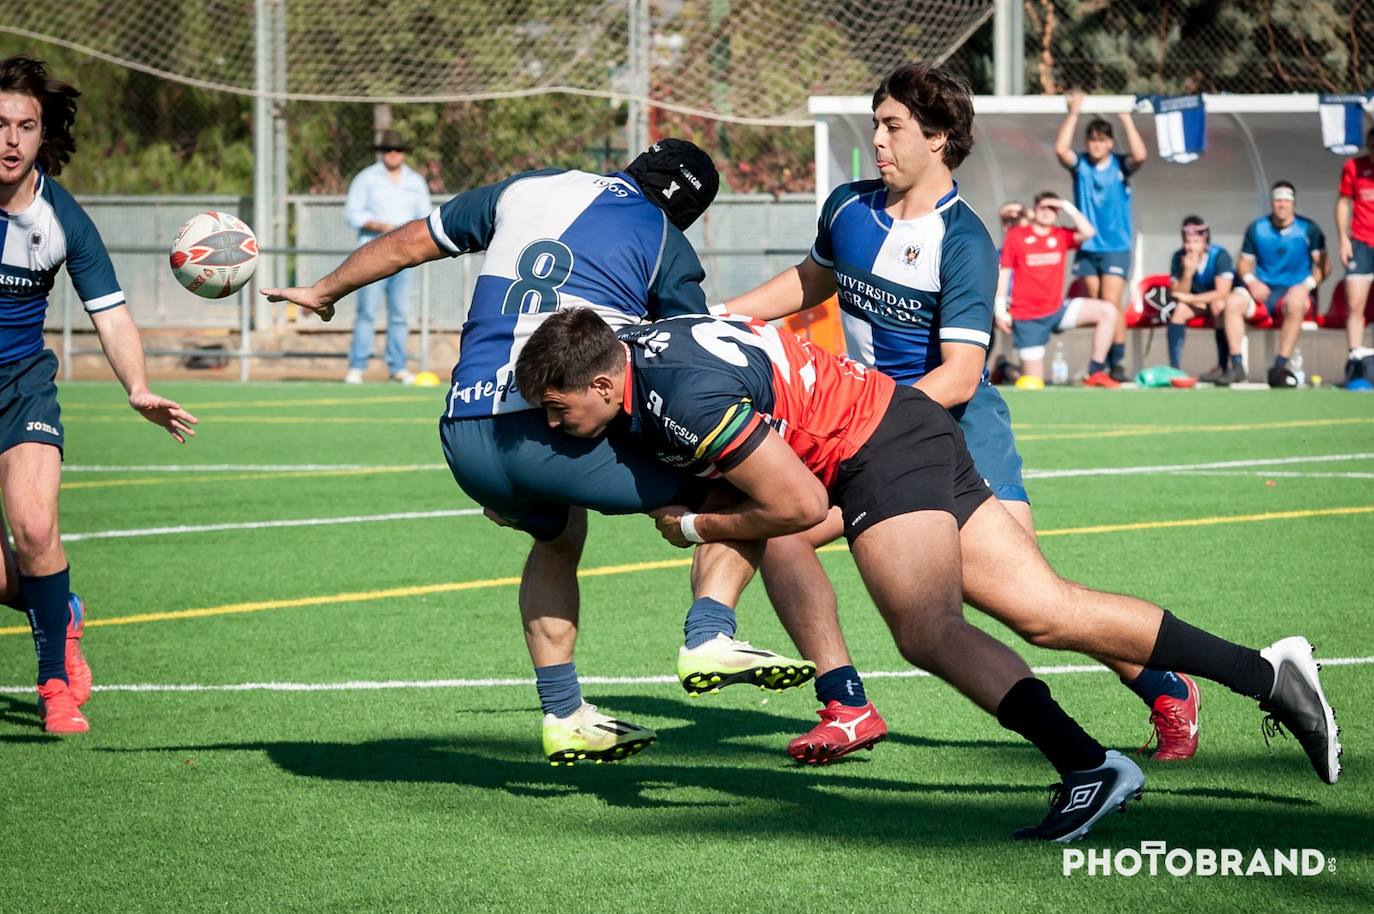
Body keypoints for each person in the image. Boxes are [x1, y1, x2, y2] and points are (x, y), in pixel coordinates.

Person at [518, 308, 1341, 841]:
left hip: (874, 451)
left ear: (605, 381)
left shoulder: (677, 400)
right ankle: (1267, 674)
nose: (556, 424)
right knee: (1048, 610)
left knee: (926, 630)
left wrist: (696, 526)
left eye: (560, 409)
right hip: (901, 425)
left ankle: (1089, 767)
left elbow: (798, 504)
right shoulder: (635, 342)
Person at [265, 139, 812, 766]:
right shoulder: (664, 238)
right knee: (744, 486)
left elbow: (411, 241)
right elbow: (685, 351)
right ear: (685, 211)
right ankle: (710, 633)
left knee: (557, 538)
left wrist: (324, 289)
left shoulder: (530, 187)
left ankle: (564, 714)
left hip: (465, 434)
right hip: (555, 427)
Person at [719, 63, 1198, 767]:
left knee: (1031, 609)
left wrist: (866, 419)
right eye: (876, 125)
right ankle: (845, 703)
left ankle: (1164, 685)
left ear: (939, 137)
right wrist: (718, 316)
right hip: (871, 437)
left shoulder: (965, 239)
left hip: (959, 436)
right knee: (784, 531)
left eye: (893, 127)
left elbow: (962, 375)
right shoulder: (848, 208)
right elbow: (810, 279)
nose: (877, 140)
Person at [0, 56, 198, 732]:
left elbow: (110, 314)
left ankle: (53, 683)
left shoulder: (63, 219)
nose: (11, 140)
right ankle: (62, 610)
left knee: (35, 527)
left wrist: (137, 387)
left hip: (21, 387)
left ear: (43, 133)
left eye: (26, 126)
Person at [1055, 90, 1147, 382]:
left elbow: (1140, 155)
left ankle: (1117, 361)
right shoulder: (1081, 166)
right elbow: (1061, 150)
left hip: (1115, 246)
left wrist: (1126, 120)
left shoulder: (1120, 165)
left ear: (1110, 143)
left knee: (1111, 302)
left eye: (1102, 140)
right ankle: (1102, 361)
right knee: (1098, 303)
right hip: (1088, 247)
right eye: (1092, 139)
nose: (1096, 144)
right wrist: (1074, 112)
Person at [996, 190, 1121, 387]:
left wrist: (1067, 206)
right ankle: (1005, 368)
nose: (1048, 212)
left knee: (1108, 311)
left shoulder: (1061, 235)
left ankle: (1095, 372)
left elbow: (1089, 232)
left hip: (1057, 310)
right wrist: (1000, 310)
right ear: (1035, 209)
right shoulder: (1016, 236)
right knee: (1033, 383)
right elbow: (1004, 273)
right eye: (1044, 207)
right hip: (1028, 317)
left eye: (1053, 209)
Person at [342, 128, 433, 385]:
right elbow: (352, 214)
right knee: (366, 312)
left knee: (399, 314)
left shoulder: (415, 181)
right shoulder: (366, 178)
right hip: (371, 253)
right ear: (381, 153)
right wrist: (379, 226)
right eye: (388, 149)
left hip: (405, 256)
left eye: (398, 149)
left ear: (404, 153)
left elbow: (425, 215)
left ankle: (397, 367)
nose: (393, 154)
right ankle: (357, 367)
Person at [1236, 181, 1327, 388]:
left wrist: (1306, 286)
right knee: (1233, 302)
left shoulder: (1309, 229)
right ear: (1272, 202)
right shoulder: (1257, 228)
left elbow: (1323, 267)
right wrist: (1252, 282)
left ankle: (1279, 367)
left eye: (1286, 200)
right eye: (1278, 200)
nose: (1282, 204)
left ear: (1293, 203)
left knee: (1295, 303)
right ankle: (1236, 365)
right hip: (1264, 293)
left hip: (1295, 293)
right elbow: (1243, 264)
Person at [1165, 216, 1248, 384]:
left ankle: (1223, 366)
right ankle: (1174, 368)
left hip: (1221, 302)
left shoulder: (1220, 255)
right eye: (1187, 242)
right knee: (1179, 311)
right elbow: (1178, 294)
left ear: (1205, 240)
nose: (1190, 247)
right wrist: (1188, 273)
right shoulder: (1178, 257)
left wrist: (1192, 298)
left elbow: (1222, 292)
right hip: (1198, 303)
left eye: (1195, 242)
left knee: (1218, 306)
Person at [1334, 127, 1374, 368]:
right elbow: (1343, 202)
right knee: (1355, 303)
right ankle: (1354, 358)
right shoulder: (1353, 167)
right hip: (1360, 242)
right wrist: (1343, 239)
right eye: (1371, 147)